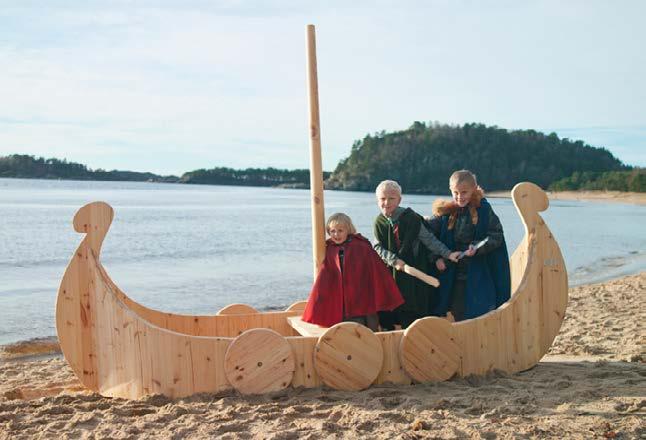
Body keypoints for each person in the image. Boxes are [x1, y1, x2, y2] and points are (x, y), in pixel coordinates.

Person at [373, 180, 460, 329]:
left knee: (411, 312)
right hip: (391, 275)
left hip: (412, 277)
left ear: (399, 200)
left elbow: (429, 240)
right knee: (388, 313)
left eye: (391, 198)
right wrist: (393, 260)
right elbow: (377, 246)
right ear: (377, 200)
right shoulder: (379, 221)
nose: (386, 203)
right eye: (382, 199)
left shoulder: (411, 219)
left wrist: (448, 254)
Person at [427, 170, 511, 321]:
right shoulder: (446, 211)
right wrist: (436, 258)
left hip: (477, 271)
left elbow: (496, 235)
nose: (460, 197)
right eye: (455, 192)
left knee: (478, 308)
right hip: (452, 271)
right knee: (454, 308)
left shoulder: (484, 210)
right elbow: (428, 235)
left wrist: (477, 247)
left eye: (464, 192)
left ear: (474, 189)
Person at [302, 213, 404, 331]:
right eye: (332, 231)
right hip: (343, 299)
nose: (336, 234)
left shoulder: (360, 246)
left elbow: (375, 269)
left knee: (364, 324)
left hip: (362, 296)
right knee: (345, 324)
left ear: (348, 230)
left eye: (340, 230)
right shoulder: (330, 248)